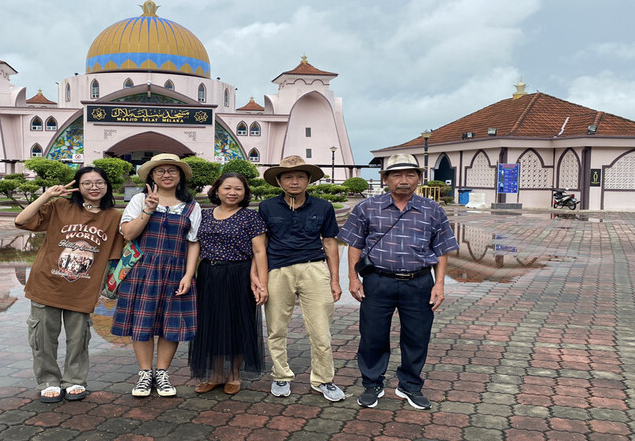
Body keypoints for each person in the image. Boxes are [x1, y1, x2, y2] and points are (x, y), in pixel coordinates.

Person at [338, 153, 458, 410]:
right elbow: (354, 245)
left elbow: (442, 249)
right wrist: (353, 278)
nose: (404, 180)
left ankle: (410, 385)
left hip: (419, 283)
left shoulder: (432, 210)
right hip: (378, 282)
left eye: (410, 174)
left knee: (417, 336)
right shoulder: (366, 208)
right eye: (397, 174)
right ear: (385, 179)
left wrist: (439, 284)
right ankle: (372, 383)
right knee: (372, 335)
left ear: (419, 178)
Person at [15, 166, 124, 403]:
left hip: (83, 288)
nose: (94, 187)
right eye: (87, 183)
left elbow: (119, 255)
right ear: (78, 186)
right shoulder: (59, 207)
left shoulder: (114, 217)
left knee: (78, 339)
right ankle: (48, 381)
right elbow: (21, 221)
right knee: (43, 337)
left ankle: (75, 380)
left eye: (99, 182)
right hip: (47, 283)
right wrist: (47, 196)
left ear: (107, 186)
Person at [111, 153, 201, 397]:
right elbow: (128, 233)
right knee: (143, 322)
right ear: (151, 175)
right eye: (160, 170)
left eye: (172, 170)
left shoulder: (192, 206)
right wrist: (148, 210)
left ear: (180, 175)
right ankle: (144, 373)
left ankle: (162, 373)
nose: (166, 175)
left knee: (171, 323)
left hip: (176, 271)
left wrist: (189, 275)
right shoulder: (140, 199)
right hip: (143, 270)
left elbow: (193, 243)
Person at [258, 155, 345, 402]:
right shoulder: (267, 207)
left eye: (300, 176)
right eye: (288, 176)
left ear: (308, 180)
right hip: (278, 270)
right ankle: (281, 375)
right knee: (276, 327)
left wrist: (335, 280)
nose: (294, 181)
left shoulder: (323, 207)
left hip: (314, 268)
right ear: (279, 180)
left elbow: (330, 242)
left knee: (320, 329)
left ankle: (323, 379)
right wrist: (260, 280)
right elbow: (260, 246)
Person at [190, 172, 268, 395]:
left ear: (245, 193)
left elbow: (260, 250)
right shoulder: (203, 215)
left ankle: (234, 375)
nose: (232, 192)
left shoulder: (250, 217)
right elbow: (194, 244)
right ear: (216, 190)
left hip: (239, 274)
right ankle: (216, 375)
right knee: (210, 323)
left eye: (238, 189)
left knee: (238, 323)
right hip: (209, 274)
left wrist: (263, 283)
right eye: (227, 188)